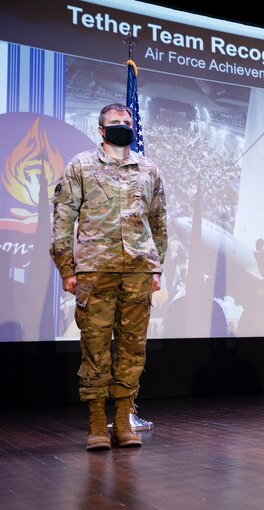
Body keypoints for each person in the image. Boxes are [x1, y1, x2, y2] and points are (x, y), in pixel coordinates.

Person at [49, 103, 168, 450]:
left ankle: (123, 420)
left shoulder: (148, 169)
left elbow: (159, 222)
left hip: (138, 271)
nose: (122, 126)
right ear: (101, 130)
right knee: (95, 347)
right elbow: (62, 220)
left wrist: (156, 266)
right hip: (94, 271)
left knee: (133, 349)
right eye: (114, 123)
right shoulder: (81, 166)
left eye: (127, 122)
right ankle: (98, 422)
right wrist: (66, 268)